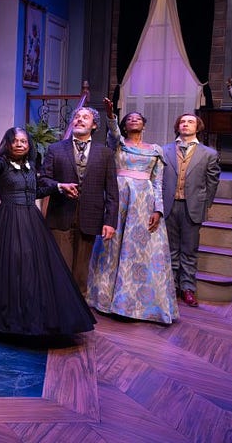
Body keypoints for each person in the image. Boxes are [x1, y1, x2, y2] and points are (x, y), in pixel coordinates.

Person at [0, 124, 95, 337]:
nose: (19, 144)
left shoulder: (30, 166)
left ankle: (34, 317)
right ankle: (8, 319)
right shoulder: (2, 165)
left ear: (29, 146)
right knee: (12, 266)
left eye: (23, 141)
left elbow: (36, 191)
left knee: (34, 268)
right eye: (15, 141)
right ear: (8, 145)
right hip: (9, 221)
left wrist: (59, 187)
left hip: (32, 221)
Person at [88, 98, 176, 323]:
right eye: (130, 119)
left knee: (139, 252)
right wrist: (110, 116)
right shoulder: (117, 144)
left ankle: (134, 305)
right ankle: (105, 300)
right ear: (125, 126)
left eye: (138, 118)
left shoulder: (155, 150)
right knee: (111, 247)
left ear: (144, 125)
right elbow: (113, 134)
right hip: (119, 198)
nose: (134, 120)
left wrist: (158, 210)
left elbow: (158, 182)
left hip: (143, 203)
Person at [39, 106, 119, 293]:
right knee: (61, 269)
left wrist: (110, 221)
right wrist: (60, 186)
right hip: (61, 215)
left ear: (94, 125)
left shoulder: (104, 153)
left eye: (85, 117)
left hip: (90, 218)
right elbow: (43, 179)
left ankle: (78, 315)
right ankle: (58, 313)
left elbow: (112, 190)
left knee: (81, 273)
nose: (80, 120)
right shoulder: (56, 149)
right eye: (76, 117)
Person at [162, 113, 220, 308]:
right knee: (170, 250)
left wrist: (204, 205)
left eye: (190, 122)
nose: (185, 124)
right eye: (182, 122)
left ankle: (187, 288)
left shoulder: (209, 154)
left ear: (198, 127)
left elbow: (212, 182)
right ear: (177, 126)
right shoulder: (164, 150)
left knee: (189, 250)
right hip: (168, 206)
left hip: (192, 207)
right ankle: (170, 288)